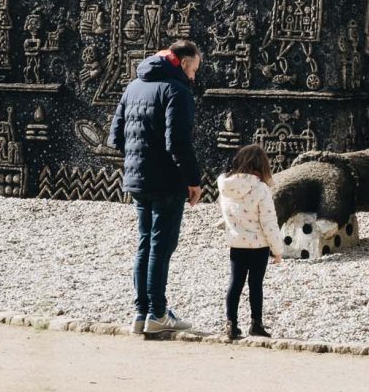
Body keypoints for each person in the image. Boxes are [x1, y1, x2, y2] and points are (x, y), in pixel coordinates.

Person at [108, 39, 204, 336]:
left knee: (145, 243)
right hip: (167, 182)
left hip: (137, 178)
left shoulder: (134, 85)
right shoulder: (176, 90)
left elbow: (116, 136)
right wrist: (193, 180)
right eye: (195, 68)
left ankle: (141, 313)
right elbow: (177, 143)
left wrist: (140, 161)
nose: (195, 76)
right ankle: (158, 313)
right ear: (185, 62)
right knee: (161, 248)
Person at [216, 144, 283, 341]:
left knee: (235, 283)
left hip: (236, 243)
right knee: (256, 285)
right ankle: (256, 324)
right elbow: (268, 221)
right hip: (258, 246)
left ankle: (231, 324)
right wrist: (277, 250)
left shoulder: (226, 187)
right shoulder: (261, 188)